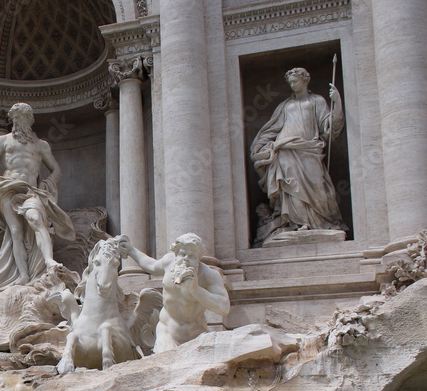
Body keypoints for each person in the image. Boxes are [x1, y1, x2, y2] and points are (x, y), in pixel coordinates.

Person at [0, 102, 75, 292]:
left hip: (30, 190)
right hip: (7, 188)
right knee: (15, 231)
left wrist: (47, 184)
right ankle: (23, 275)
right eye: (16, 118)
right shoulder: (4, 141)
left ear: (30, 120)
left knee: (35, 218)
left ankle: (48, 261)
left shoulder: (40, 145)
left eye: (23, 118)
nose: (19, 122)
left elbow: (56, 169)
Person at [250, 67, 346, 245]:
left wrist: (337, 102)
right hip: (285, 150)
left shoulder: (317, 101)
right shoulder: (285, 106)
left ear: (305, 80)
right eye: (290, 82)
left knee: (318, 186)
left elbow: (329, 127)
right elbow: (272, 129)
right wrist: (259, 147)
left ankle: (318, 222)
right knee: (291, 188)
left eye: (295, 81)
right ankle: (297, 223)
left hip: (309, 149)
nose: (292, 85)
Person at [120, 233, 230, 353]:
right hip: (167, 333)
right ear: (176, 254)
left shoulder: (209, 275)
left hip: (197, 336)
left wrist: (195, 289)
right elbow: (151, 265)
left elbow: (224, 307)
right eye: (182, 254)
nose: (186, 259)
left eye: (192, 256)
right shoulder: (168, 262)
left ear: (199, 259)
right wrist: (131, 250)